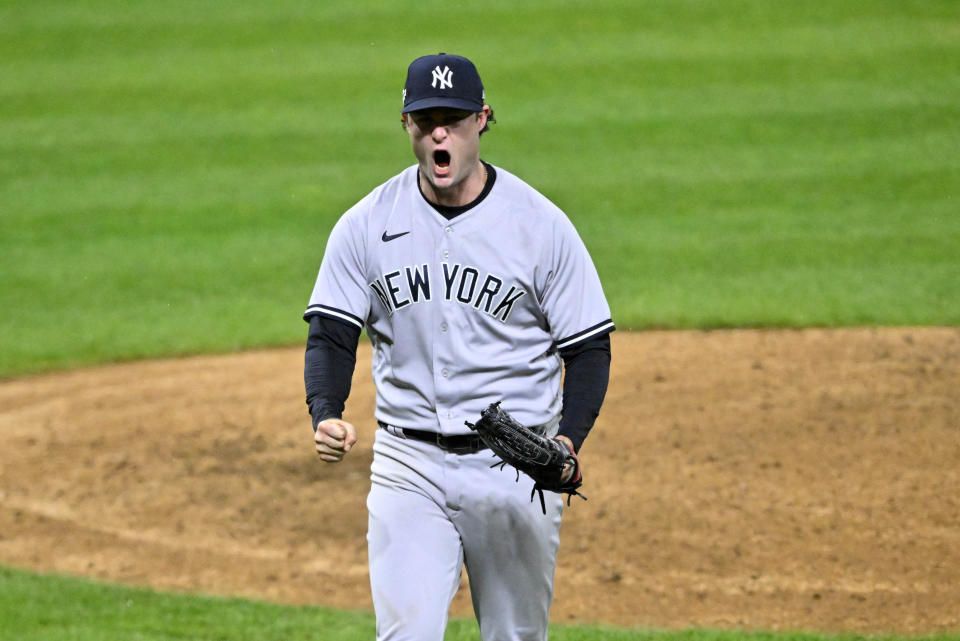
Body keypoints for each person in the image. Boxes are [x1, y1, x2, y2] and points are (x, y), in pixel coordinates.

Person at [303, 53, 614, 641]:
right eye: (425, 120)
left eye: (453, 117)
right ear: (405, 124)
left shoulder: (539, 225)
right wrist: (326, 411)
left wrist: (568, 441)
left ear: (482, 119)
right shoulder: (366, 224)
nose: (438, 132)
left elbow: (589, 348)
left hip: (516, 470)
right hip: (407, 465)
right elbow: (331, 332)